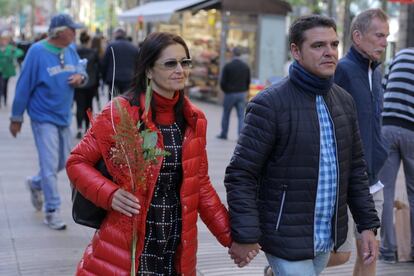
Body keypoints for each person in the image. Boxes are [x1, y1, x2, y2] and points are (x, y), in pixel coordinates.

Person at [66, 32, 257, 275]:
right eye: (170, 63)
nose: (180, 70)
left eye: (185, 62)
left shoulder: (194, 119)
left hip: (177, 239)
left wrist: (232, 238)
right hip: (131, 241)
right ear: (148, 70)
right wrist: (109, 193)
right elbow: (76, 162)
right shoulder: (120, 114)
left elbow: (200, 185)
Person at [224, 15, 380, 276]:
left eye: (333, 44)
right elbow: (241, 173)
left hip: (325, 237)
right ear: (296, 51)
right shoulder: (270, 104)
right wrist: (246, 233)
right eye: (318, 46)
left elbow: (355, 170)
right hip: (284, 237)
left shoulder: (344, 101)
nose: (329, 52)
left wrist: (367, 226)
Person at [9, 13, 87, 230]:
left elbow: (81, 68)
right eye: (72, 29)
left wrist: (81, 77)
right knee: (49, 164)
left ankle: (35, 184)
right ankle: (52, 210)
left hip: (64, 116)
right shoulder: (37, 52)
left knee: (62, 161)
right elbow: (23, 86)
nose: (75, 33)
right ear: (60, 31)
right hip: (43, 118)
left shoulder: (70, 49)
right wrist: (16, 118)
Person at [332, 9, 389, 276]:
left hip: (373, 179)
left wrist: (380, 154)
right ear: (357, 36)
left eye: (386, 36)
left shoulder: (376, 73)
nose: (384, 42)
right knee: (338, 254)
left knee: (369, 254)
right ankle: (281, 271)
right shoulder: (341, 70)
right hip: (342, 178)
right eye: (379, 35)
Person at [379, 47, 414, 263]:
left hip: (387, 127)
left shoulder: (400, 56)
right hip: (412, 130)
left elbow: (382, 90)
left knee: (386, 191)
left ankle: (387, 250)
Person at [217, 46, 250, 140]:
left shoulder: (228, 66)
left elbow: (222, 82)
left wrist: (226, 90)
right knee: (241, 115)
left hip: (230, 94)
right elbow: (248, 81)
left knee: (226, 113)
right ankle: (240, 136)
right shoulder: (245, 66)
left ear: (233, 54)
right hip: (241, 94)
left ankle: (224, 133)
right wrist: (245, 90)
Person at [74, 31, 100, 138]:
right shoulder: (93, 52)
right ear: (88, 41)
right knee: (89, 106)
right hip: (91, 83)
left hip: (79, 82)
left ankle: (79, 127)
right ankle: (87, 128)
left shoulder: (75, 51)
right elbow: (98, 67)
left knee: (79, 106)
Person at [101, 27, 139, 99]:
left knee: (113, 104)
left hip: (114, 79)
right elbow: (138, 64)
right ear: (125, 35)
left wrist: (104, 78)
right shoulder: (133, 47)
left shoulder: (110, 46)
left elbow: (104, 63)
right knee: (127, 102)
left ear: (115, 35)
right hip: (129, 79)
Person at [0, 31, 23, 107]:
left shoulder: (10, 48)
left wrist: (14, 53)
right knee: (1, 85)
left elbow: (20, 52)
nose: (3, 42)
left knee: (5, 85)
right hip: (1, 70)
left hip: (7, 70)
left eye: (5, 40)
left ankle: (5, 100)